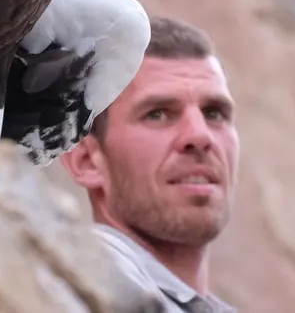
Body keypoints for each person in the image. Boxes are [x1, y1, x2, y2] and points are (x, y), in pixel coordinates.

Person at [60, 16, 239, 313]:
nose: (199, 136)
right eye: (157, 114)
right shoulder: (75, 283)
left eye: (214, 113)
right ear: (87, 161)